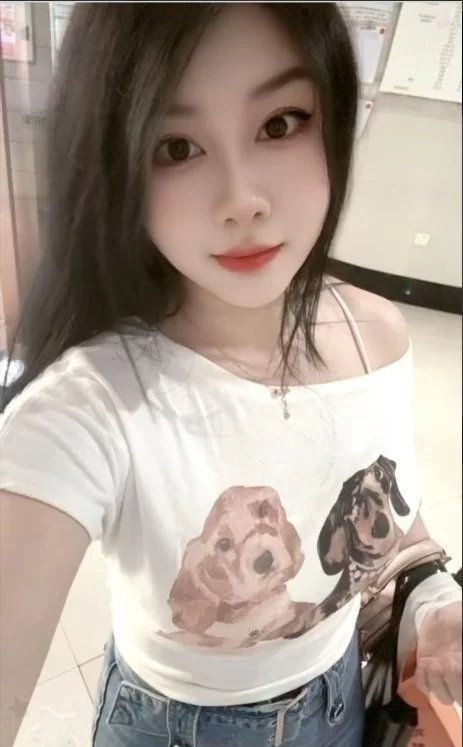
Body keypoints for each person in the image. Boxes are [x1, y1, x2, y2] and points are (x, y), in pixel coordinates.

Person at [0, 5, 461, 747]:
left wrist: (432, 600)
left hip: (338, 703)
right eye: (177, 146)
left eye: (280, 123)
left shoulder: (374, 336)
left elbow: (390, 515)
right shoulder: (94, 405)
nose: (242, 199)